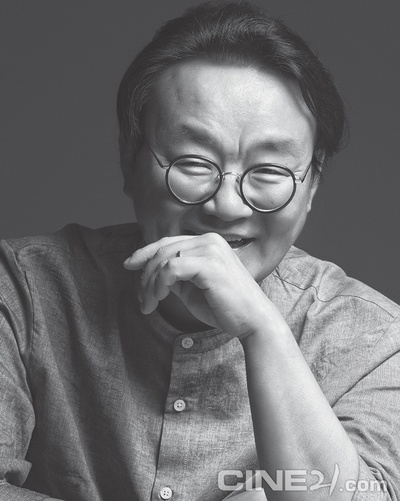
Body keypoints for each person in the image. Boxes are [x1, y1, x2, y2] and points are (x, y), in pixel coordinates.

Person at [0, 1, 399, 500]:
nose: (227, 205)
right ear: (129, 158)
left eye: (269, 171)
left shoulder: (373, 339)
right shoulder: (23, 291)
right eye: (193, 161)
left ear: (312, 185)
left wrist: (262, 332)